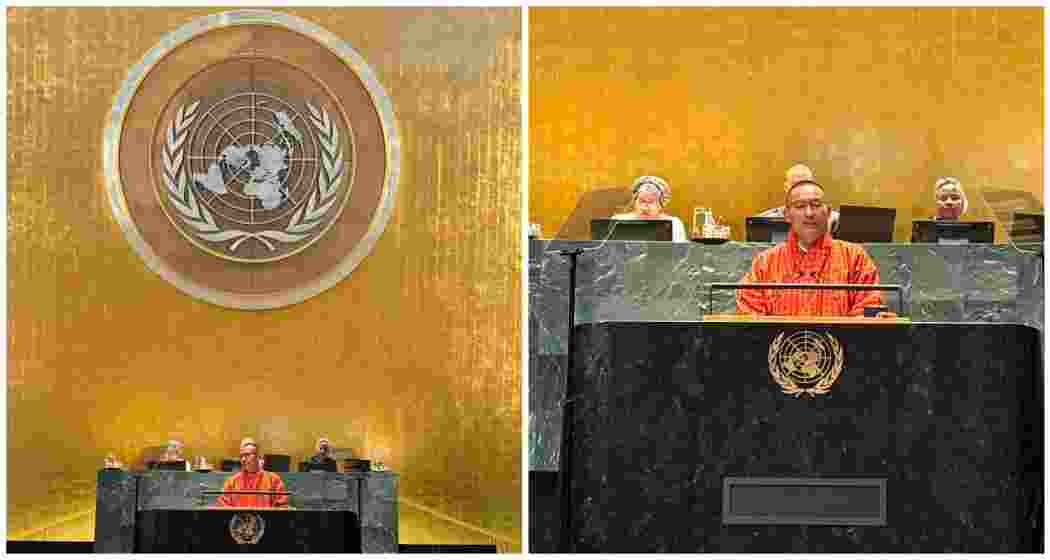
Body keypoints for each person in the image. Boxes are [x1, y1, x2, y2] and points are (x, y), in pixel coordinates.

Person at [737, 179, 888, 317]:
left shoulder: (855, 257)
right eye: (800, 206)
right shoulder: (764, 263)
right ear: (787, 215)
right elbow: (749, 318)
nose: (809, 213)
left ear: (828, 213)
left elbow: (869, 310)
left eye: (816, 205)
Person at [756, 164, 840, 232]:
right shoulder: (762, 221)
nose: (801, 190)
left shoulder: (834, 219)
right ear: (786, 188)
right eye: (795, 185)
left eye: (805, 184)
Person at [215, 438, 289, 508]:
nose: (243, 459)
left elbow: (282, 507)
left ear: (258, 457)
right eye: (241, 456)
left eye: (247, 455)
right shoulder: (231, 482)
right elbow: (223, 506)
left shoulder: (273, 480)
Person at [611, 175, 688, 242]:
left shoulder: (674, 223)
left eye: (651, 202)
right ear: (634, 201)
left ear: (661, 205)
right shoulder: (619, 221)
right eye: (642, 201)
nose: (645, 207)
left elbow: (680, 253)